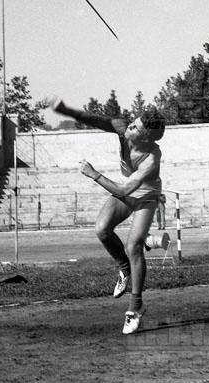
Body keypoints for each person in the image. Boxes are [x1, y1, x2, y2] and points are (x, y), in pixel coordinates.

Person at [48, 96, 165, 334]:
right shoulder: (123, 130)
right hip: (127, 191)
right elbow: (93, 119)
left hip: (145, 196)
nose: (129, 126)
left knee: (133, 246)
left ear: (145, 137)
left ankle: (135, 307)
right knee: (101, 229)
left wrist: (94, 174)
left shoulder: (151, 159)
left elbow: (122, 190)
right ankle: (125, 269)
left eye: (135, 128)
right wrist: (65, 109)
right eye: (133, 122)